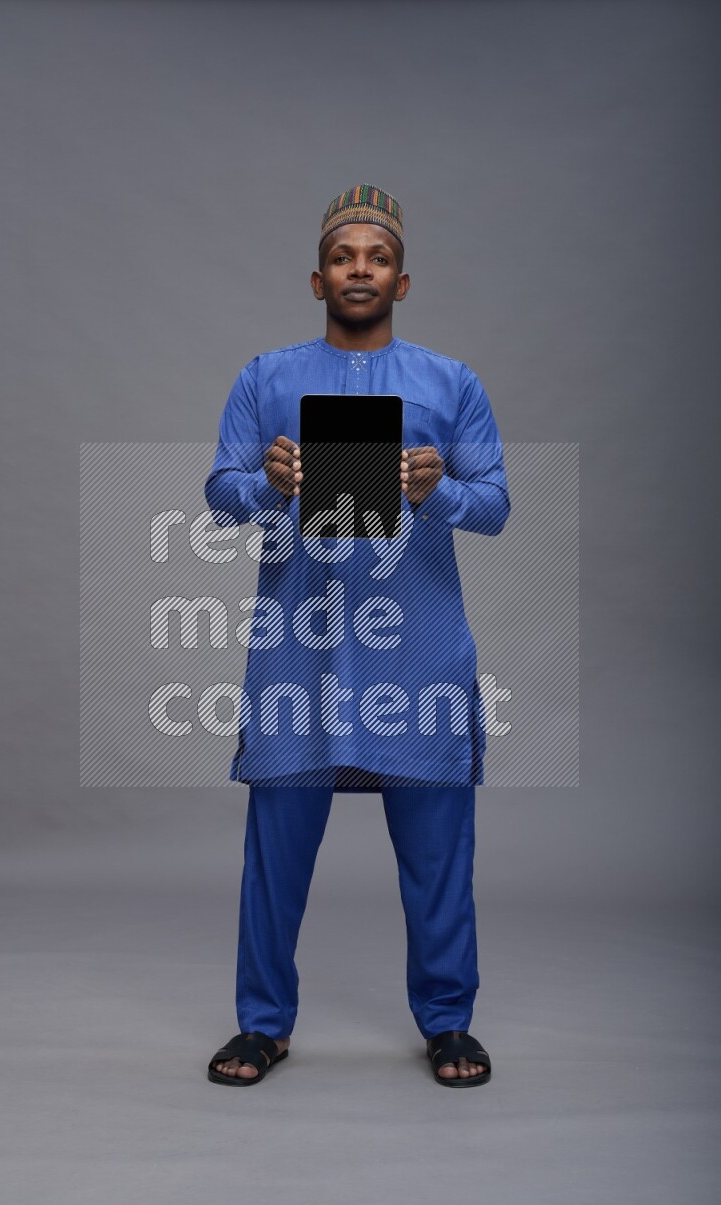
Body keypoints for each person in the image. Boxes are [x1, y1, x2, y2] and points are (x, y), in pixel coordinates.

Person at [204, 184, 510, 1087]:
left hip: (415, 648)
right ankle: (263, 1023)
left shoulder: (452, 383)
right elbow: (219, 495)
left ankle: (449, 1022)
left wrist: (438, 490)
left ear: (402, 280)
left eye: (376, 258)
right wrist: (267, 481)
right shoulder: (267, 377)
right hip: (301, 647)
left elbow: (495, 507)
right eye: (344, 257)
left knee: (438, 851)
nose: (360, 270)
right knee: (276, 851)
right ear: (317, 277)